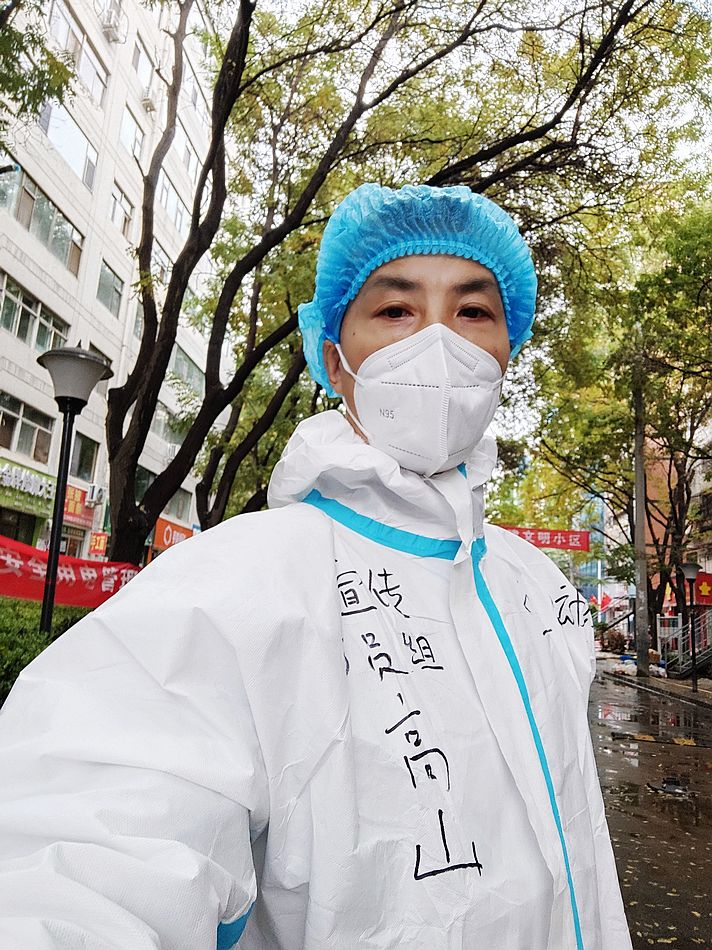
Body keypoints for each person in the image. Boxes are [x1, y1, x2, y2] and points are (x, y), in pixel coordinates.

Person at [0, 184, 632, 950]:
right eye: (395, 310)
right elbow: (84, 848)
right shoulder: (239, 582)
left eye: (473, 312)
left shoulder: (538, 588)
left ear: (505, 353)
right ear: (336, 358)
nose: (439, 342)